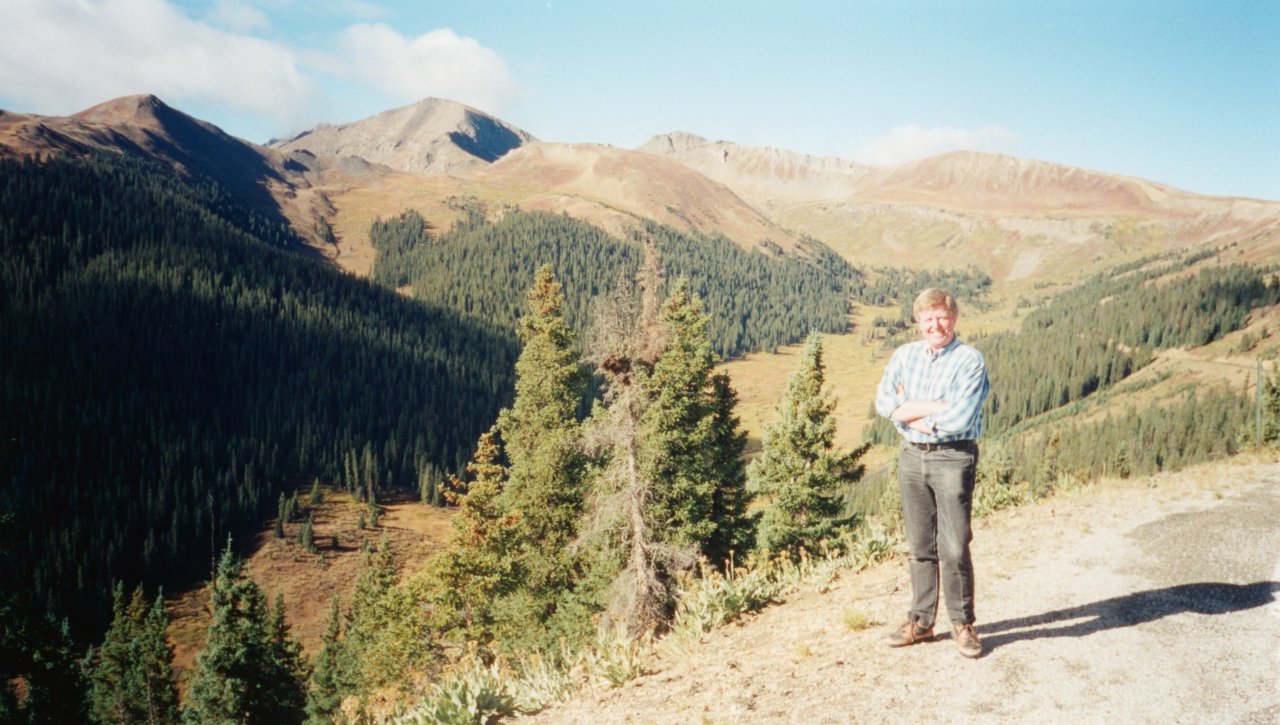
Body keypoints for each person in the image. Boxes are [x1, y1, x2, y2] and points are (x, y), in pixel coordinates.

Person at [874, 288, 989, 658]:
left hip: (953, 458)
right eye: (928, 319)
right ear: (918, 322)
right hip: (911, 457)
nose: (935, 325)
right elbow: (884, 403)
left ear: (953, 319)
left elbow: (960, 417)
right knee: (920, 544)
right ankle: (921, 622)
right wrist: (931, 409)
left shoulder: (970, 361)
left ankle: (963, 624)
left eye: (941, 317)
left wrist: (909, 411)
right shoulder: (904, 355)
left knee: (954, 545)